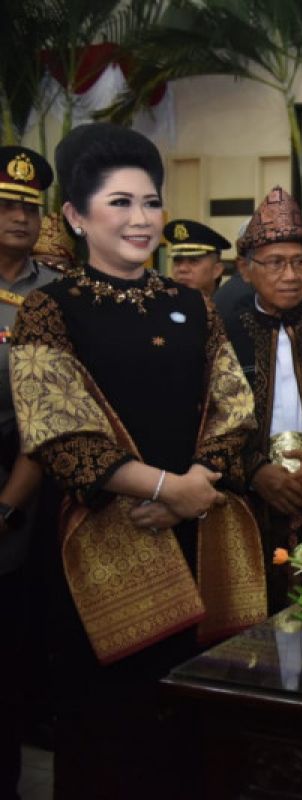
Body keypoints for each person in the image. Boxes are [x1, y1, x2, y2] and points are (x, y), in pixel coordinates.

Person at [11, 122, 263, 798]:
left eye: (150, 202)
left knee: (190, 722)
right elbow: (56, 429)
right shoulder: (49, 308)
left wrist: (195, 487)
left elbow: (234, 406)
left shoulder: (190, 305)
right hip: (96, 545)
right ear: (74, 215)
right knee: (109, 733)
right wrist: (160, 486)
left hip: (190, 530)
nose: (140, 218)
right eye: (118, 202)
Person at [224, 187, 302, 612]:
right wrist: (254, 471)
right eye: (274, 263)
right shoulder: (225, 332)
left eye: (299, 262)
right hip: (251, 497)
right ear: (245, 269)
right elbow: (210, 417)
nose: (289, 275)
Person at [0, 144, 57, 800]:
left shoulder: (53, 292)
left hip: (32, 490)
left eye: (30, 207)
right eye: (9, 204)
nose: (20, 216)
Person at [164, 218, 231, 296]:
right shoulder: (163, 305)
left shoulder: (229, 306)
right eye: (177, 261)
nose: (182, 269)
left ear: (216, 270)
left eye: (193, 261)